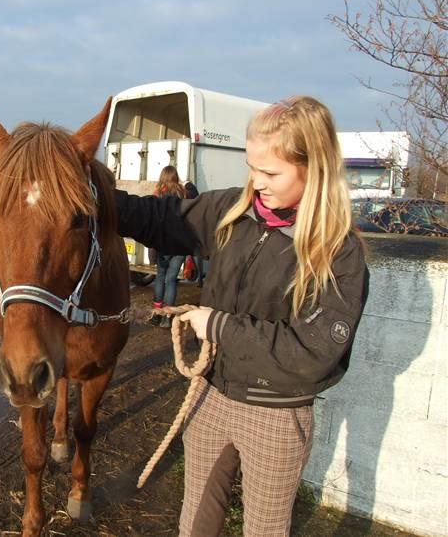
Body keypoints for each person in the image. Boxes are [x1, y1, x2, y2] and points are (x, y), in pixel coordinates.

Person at [114, 96, 369, 536]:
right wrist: (94, 194)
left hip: (277, 412)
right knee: (195, 520)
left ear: (316, 168)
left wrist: (218, 326)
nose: (257, 182)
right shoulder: (231, 210)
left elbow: (312, 351)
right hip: (210, 395)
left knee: (265, 529)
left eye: (270, 172)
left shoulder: (338, 253)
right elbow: (159, 218)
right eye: (251, 167)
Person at [149, 165, 186, 328]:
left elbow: (153, 220)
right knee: (171, 280)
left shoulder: (158, 194)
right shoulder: (184, 193)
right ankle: (168, 317)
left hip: (163, 242)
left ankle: (157, 314)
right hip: (180, 242)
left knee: (160, 277)